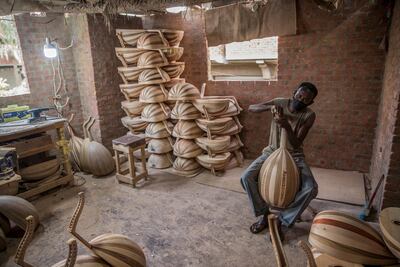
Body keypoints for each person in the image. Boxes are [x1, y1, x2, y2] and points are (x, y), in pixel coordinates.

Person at [241, 82, 319, 235]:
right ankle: (264, 215)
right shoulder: (280, 102)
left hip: (294, 155)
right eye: (299, 96)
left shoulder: (309, 115)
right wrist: (269, 107)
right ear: (294, 92)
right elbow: (252, 108)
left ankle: (283, 220)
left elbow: (296, 144)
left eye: (305, 100)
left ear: (311, 102)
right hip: (271, 152)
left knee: (311, 188)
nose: (301, 100)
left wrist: (286, 126)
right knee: (246, 177)